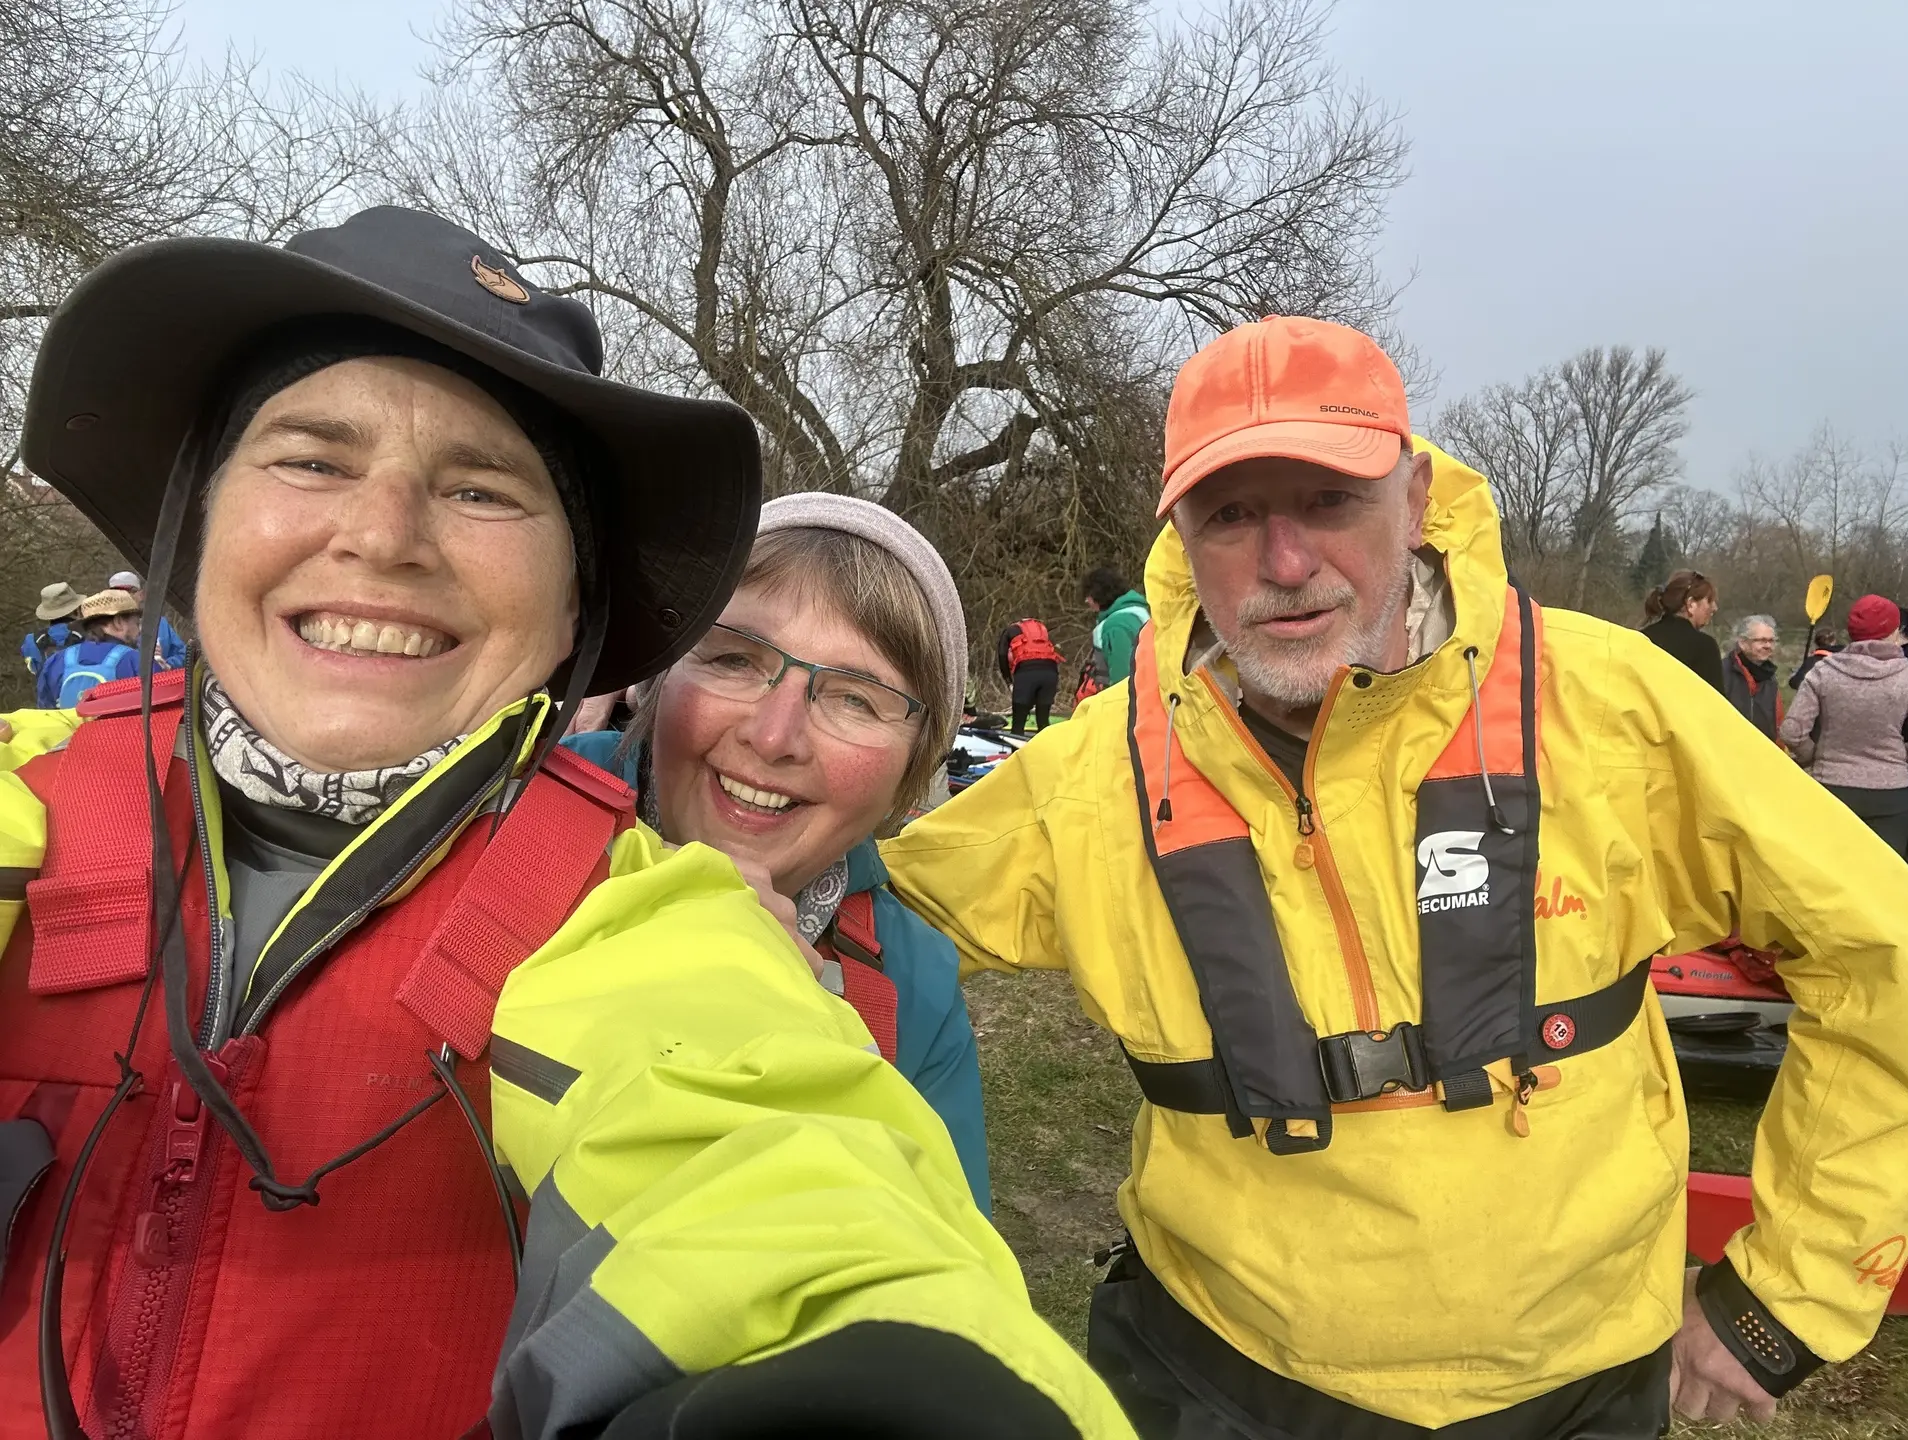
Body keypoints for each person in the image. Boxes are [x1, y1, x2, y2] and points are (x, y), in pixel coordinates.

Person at [0, 206, 1129, 1440]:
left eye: (483, 488)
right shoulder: (32, 807)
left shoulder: (630, 915)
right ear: (200, 511)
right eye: (312, 457)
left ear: (573, 605)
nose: (380, 535)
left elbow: (795, 1203)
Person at [882, 315, 1908, 1437]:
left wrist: (1785, 1298)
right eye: (1231, 514)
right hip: (1225, 1374)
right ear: (1180, 533)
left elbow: (1887, 957)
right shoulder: (1092, 773)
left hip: (1580, 1380)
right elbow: (856, 908)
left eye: (1330, 499)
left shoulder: (1614, 707)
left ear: (1416, 499)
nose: (1286, 563)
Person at [563, 492, 992, 1211]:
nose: (773, 737)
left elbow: (937, 1265)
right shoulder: (487, 824)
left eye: (857, 700)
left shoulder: (909, 987)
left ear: (911, 777)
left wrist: (818, 1049)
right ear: (657, 682)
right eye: (733, 659)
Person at [1780, 594, 1908, 852]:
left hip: (1831, 787)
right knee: (1884, 879)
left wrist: (1815, 755)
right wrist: (1902, 755)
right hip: (1890, 794)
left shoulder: (1823, 671)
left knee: (1829, 878)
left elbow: (1792, 730)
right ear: (1893, 631)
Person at [35, 587, 141, 708]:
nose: (139, 630)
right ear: (118, 621)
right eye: (136, 623)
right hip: (118, 727)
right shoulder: (137, 661)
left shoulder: (54, 662)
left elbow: (45, 712)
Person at [1640, 568, 1726, 693]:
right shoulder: (1704, 647)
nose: (1714, 608)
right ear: (1691, 604)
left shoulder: (1642, 638)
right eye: (1709, 601)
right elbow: (1714, 704)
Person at [1082, 566, 1151, 693]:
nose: (1087, 600)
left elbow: (1122, 675)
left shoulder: (1115, 626)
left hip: (1124, 701)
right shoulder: (1140, 612)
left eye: (1088, 595)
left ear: (1098, 593)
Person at [107, 568, 190, 668]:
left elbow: (184, 655)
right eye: (117, 593)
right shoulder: (106, 629)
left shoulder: (159, 623)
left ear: (141, 595)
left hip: (159, 682)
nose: (124, 597)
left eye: (130, 591)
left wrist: (166, 665)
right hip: (125, 682)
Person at [996, 615, 1063, 730]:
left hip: (1026, 673)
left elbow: (1002, 655)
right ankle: (1045, 746)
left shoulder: (1009, 631)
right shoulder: (1042, 630)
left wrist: (1008, 681)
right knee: (1043, 721)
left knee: (1018, 722)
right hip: (1050, 672)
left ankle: (1017, 746)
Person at [1723, 613, 1783, 742]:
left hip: (1764, 753)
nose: (1767, 645)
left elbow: (1777, 722)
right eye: (1761, 640)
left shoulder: (1770, 678)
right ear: (1743, 643)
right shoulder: (1722, 673)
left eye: (1771, 641)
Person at [19, 582, 82, 681]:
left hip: (47, 695)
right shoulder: (93, 635)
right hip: (85, 694)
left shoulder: (31, 641)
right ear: (76, 609)